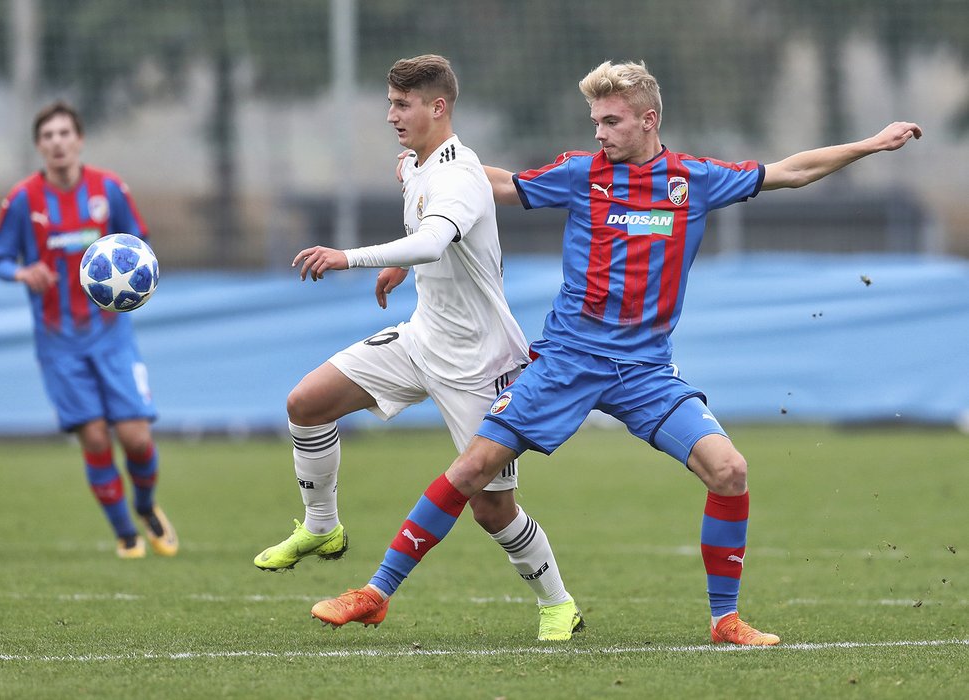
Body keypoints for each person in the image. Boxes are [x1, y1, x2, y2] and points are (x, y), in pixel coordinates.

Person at [309, 60, 923, 645]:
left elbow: (790, 170)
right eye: (596, 121)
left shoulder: (693, 180)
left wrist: (869, 144)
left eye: (611, 121)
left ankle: (726, 619)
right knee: (472, 472)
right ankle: (375, 591)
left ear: (648, 119)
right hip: (567, 361)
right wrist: (431, 174)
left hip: (646, 369)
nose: (599, 133)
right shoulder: (583, 173)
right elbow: (492, 184)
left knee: (730, 470)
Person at [253, 54, 582, 641]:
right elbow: (431, 239)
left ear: (439, 107)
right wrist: (401, 271)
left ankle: (557, 603)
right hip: (422, 337)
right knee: (306, 402)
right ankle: (322, 526)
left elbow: (433, 241)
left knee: (491, 509)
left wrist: (348, 258)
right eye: (390, 102)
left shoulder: (462, 175)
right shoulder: (413, 164)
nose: (390, 116)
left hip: (481, 364)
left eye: (402, 105)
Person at [0, 100, 178, 560]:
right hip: (59, 343)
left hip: (112, 337)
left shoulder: (108, 189)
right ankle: (124, 533)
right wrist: (22, 273)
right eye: (47, 135)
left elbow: (140, 244)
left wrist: (134, 277)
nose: (57, 142)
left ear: (79, 139)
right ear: (39, 145)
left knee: (136, 438)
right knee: (94, 438)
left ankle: (147, 507)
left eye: (64, 133)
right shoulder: (22, 200)